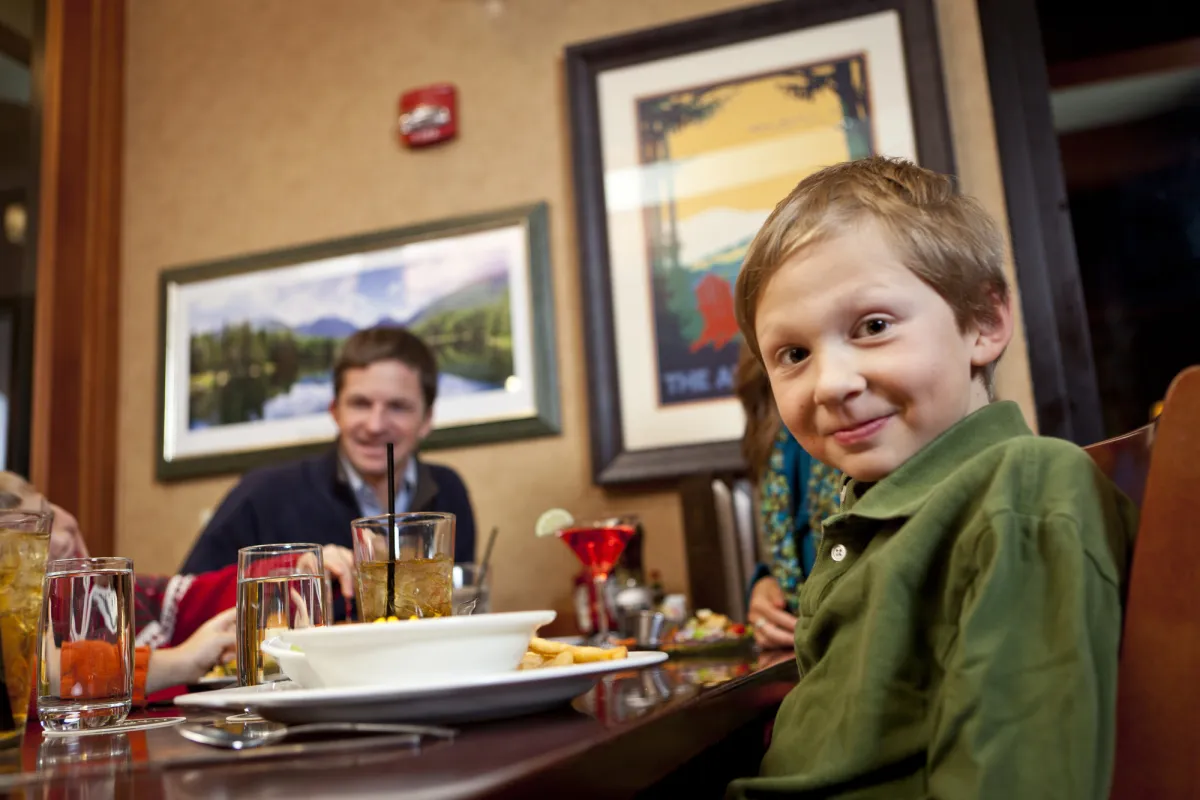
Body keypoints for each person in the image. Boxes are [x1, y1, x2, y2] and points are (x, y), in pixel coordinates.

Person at [726, 157, 1138, 799]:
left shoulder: (1021, 492)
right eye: (794, 354)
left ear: (983, 322)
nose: (831, 383)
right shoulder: (868, 513)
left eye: (874, 326)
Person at [181, 326, 477, 588]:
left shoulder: (449, 492)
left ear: (427, 419)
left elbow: (462, 608)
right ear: (335, 411)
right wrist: (295, 574)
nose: (375, 425)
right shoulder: (262, 495)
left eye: (398, 406)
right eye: (360, 404)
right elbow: (184, 603)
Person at [736, 343, 841, 651]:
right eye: (794, 354)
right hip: (802, 647)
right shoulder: (772, 426)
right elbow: (791, 545)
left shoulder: (863, 419)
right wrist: (765, 588)